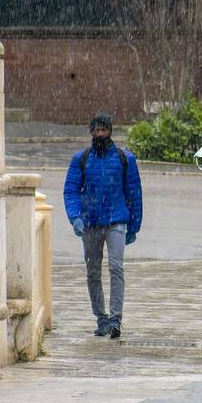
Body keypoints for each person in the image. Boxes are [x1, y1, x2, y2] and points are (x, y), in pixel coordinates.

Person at [63, 113, 143, 339]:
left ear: (110, 131)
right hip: (89, 223)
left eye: (103, 130)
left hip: (116, 220)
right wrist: (75, 217)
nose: (100, 134)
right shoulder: (81, 159)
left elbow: (134, 193)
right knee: (93, 271)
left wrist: (134, 225)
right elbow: (71, 191)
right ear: (91, 132)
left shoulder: (125, 159)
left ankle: (116, 318)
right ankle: (101, 317)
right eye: (96, 130)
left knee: (116, 267)